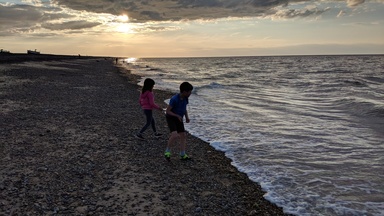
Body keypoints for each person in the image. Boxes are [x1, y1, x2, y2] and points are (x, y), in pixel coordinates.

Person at [164, 82, 193, 160]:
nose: (190, 93)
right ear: (184, 91)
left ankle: (182, 154)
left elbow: (184, 108)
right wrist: (177, 115)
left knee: (183, 135)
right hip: (171, 117)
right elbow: (168, 111)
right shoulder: (174, 99)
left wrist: (187, 117)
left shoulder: (186, 98)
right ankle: (167, 151)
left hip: (179, 118)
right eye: (189, 92)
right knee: (174, 135)